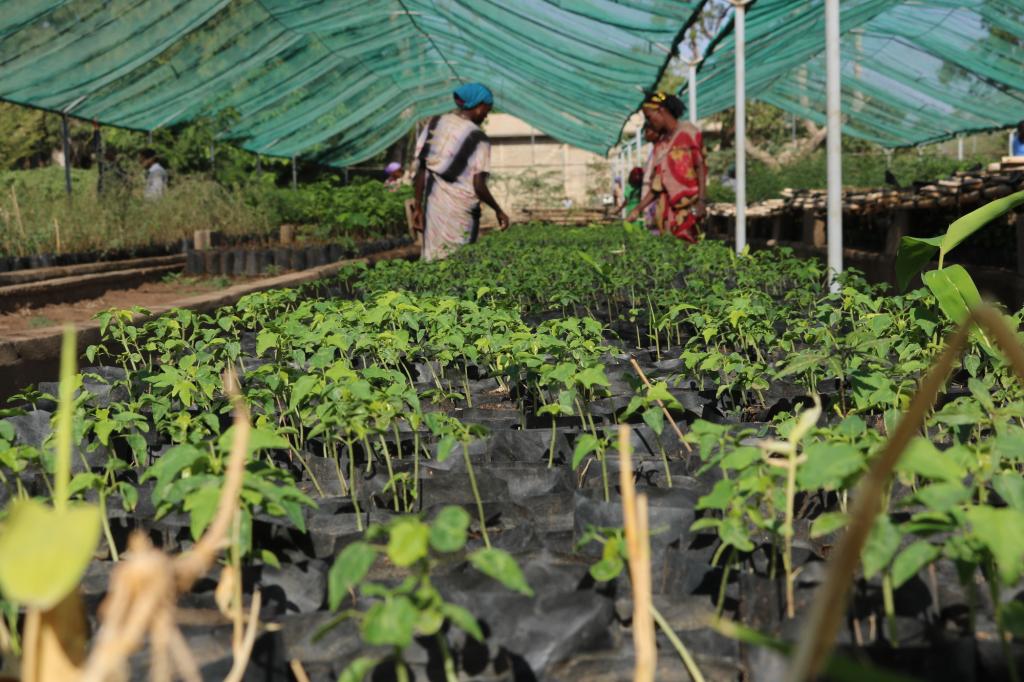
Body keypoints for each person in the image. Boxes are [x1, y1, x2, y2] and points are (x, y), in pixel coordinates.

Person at [412, 83, 509, 262]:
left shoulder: (435, 123)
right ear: (479, 106)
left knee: (434, 259)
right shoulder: (478, 138)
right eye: (487, 109)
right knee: (459, 261)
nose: (487, 113)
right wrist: (498, 210)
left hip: (434, 207)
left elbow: (421, 169)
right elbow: (478, 185)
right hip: (460, 211)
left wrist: (418, 206)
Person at [628, 92, 707, 243]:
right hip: (667, 211)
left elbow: (701, 167)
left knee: (690, 253)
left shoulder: (687, 132)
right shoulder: (661, 144)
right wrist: (638, 208)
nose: (650, 122)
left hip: (689, 208)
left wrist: (702, 201)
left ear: (661, 111)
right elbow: (657, 186)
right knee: (672, 258)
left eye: (650, 117)